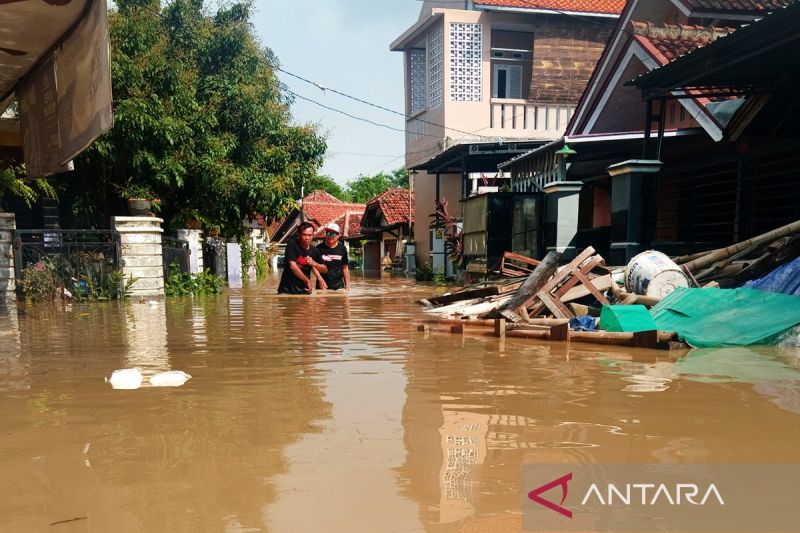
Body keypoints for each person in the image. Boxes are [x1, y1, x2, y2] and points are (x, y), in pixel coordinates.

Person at [277, 222, 327, 294]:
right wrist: (307, 280)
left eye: (309, 235)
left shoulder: (315, 250)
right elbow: (293, 266)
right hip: (287, 289)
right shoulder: (292, 244)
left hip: (305, 290)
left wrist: (314, 263)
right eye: (304, 235)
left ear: (313, 235)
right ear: (299, 235)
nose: (307, 238)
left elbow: (324, 269)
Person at [316, 222, 350, 291]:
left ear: (339, 235)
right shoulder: (319, 248)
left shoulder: (342, 249)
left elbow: (345, 268)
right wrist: (320, 279)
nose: (330, 236)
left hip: (339, 286)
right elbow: (314, 266)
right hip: (322, 286)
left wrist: (347, 286)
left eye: (333, 234)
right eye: (328, 233)